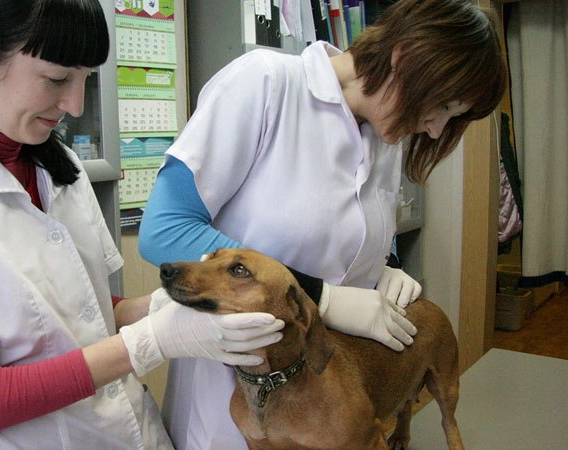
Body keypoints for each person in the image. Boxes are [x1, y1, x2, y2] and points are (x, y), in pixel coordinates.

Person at [0, 1, 284, 449]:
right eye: (57, 79)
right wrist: (149, 342)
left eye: (85, 79)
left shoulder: (60, 165)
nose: (74, 105)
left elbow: (87, 310)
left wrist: (157, 308)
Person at [137, 0, 508, 448]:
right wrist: (321, 298)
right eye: (444, 105)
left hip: (327, 404)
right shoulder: (266, 83)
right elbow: (165, 229)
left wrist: (385, 267)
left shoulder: (385, 136)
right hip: (232, 405)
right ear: (405, 55)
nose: (434, 130)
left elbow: (347, 235)